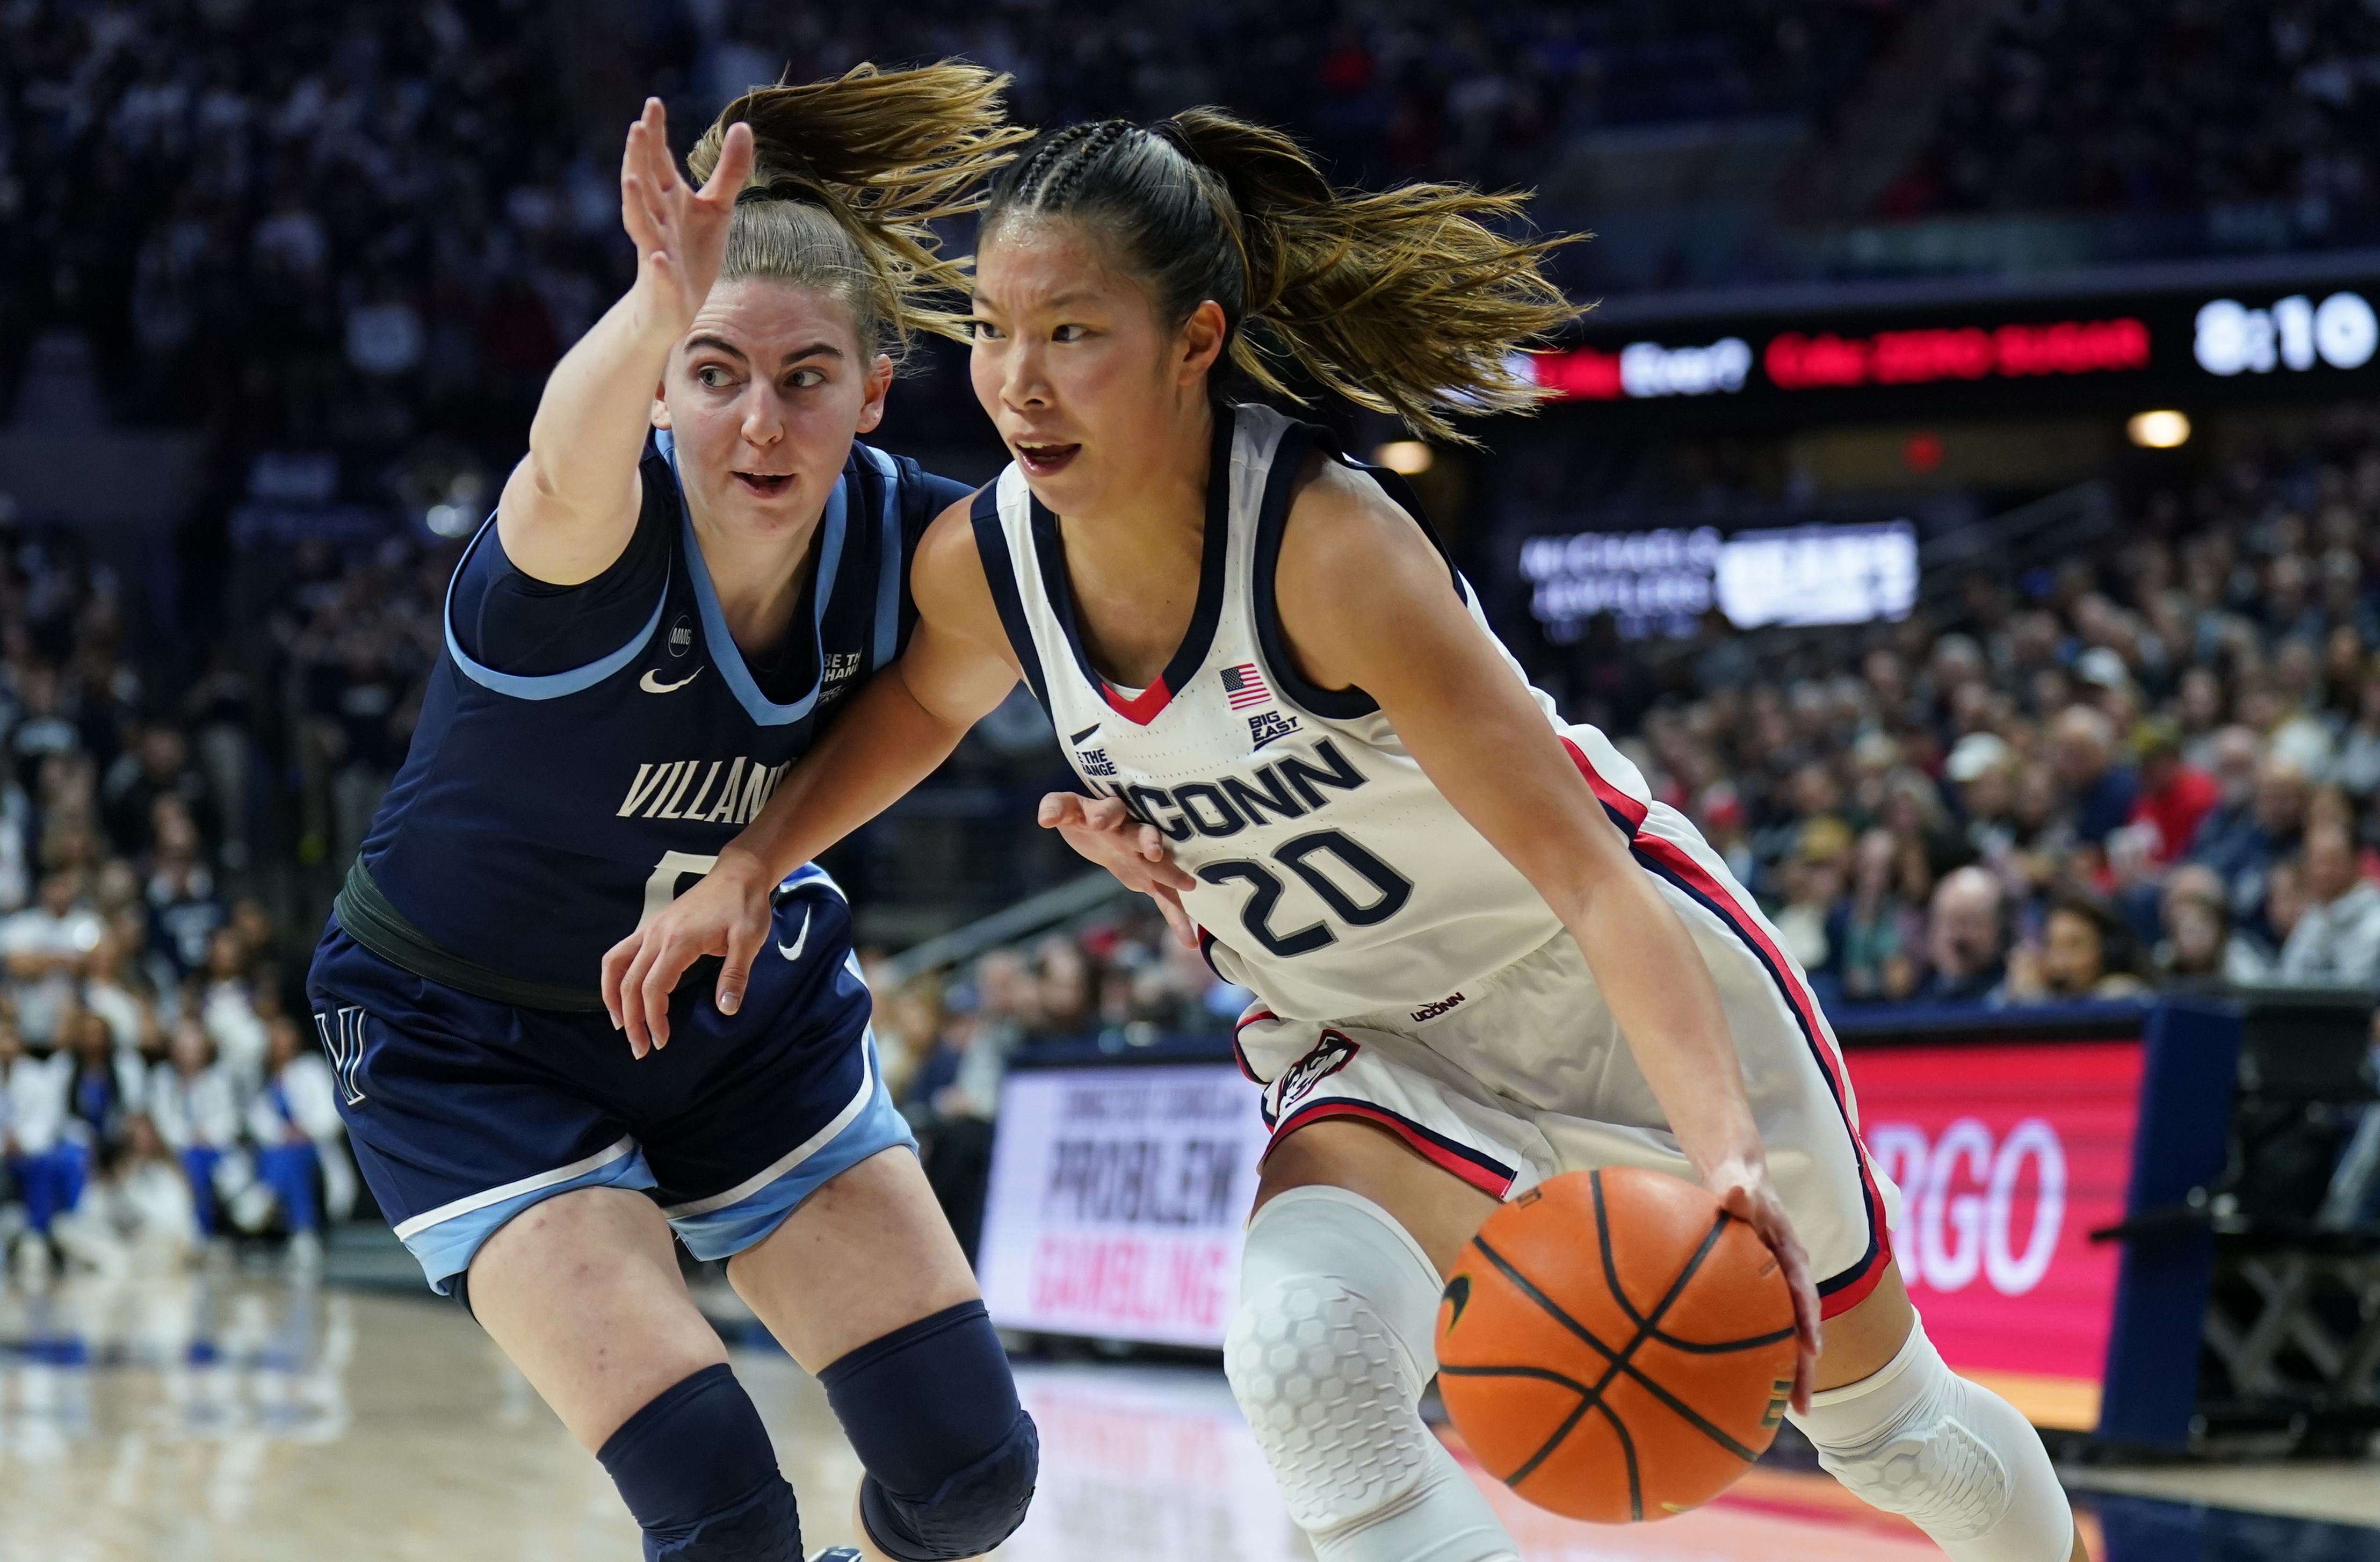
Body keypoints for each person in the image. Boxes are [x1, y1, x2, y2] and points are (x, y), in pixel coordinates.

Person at [611, 110, 2086, 1562]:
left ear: (1194, 342)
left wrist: (1727, 1153)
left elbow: (1587, 873)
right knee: (1305, 1360)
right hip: (1375, 1039)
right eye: (994, 330)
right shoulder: (989, 557)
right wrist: (751, 859)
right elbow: (919, 710)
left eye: (1072, 333)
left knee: (1890, 1434)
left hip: (1611, 993)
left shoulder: (1327, 552)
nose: (1017, 383)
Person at [302, 73, 1039, 1562]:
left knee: (971, 1483)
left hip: (739, 1018)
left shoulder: (922, 541)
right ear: (661, 383)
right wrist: (653, 300)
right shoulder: (580, 541)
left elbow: (988, 672)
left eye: (807, 377)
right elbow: (560, 447)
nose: (759, 421)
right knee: (721, 1518)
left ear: (874, 390)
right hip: (470, 1036)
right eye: (713, 372)